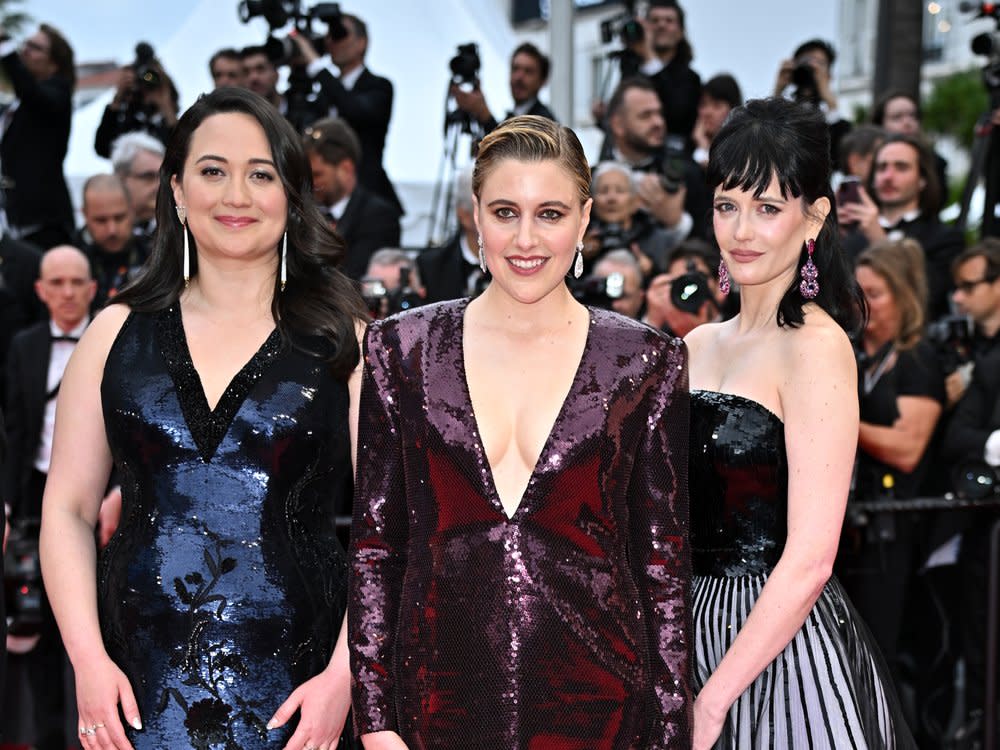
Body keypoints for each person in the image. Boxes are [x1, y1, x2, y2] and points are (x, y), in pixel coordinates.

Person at [349, 114, 692, 748]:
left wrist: (671, 731)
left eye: (551, 213)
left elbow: (662, 565)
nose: (526, 238)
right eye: (505, 212)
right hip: (436, 704)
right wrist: (375, 722)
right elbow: (377, 545)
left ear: (584, 219)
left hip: (600, 705)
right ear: (474, 215)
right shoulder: (401, 348)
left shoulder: (643, 359)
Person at [38, 87, 366, 748]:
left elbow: (396, 529)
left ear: (291, 195)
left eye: (261, 174)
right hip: (135, 690)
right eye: (213, 171)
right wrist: (88, 662)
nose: (235, 196)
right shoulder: (113, 335)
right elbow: (68, 510)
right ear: (179, 192)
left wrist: (347, 675)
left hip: (301, 701)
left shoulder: (346, 342)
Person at [684, 97, 915, 748]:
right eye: (727, 205)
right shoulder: (696, 344)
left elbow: (812, 558)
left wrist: (714, 699)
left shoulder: (818, 347)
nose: (742, 230)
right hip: (683, 628)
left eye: (767, 207)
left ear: (813, 218)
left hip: (780, 650)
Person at [3, 245, 96, 750]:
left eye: (74, 282)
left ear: (92, 288)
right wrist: (8, 506)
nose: (66, 293)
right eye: (55, 283)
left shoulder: (114, 340)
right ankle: (47, 737)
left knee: (93, 629)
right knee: (35, 628)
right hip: (39, 495)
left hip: (101, 500)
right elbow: (16, 431)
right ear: (39, 290)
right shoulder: (25, 346)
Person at [839, 239, 944, 676]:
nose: (865, 304)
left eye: (876, 294)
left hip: (894, 529)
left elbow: (906, 449)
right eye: (859, 293)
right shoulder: (858, 355)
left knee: (877, 652)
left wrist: (835, 420)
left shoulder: (916, 359)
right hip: (852, 523)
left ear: (903, 297)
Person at [840, 133, 965, 320]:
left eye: (901, 167)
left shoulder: (946, 239)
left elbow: (928, 297)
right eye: (882, 168)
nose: (888, 177)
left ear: (922, 179)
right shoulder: (850, 237)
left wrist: (880, 241)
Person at [292, 13, 402, 214]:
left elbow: (353, 109)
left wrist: (316, 65)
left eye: (339, 35)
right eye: (328, 38)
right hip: (322, 200)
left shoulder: (379, 87)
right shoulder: (324, 93)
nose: (331, 42)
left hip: (369, 200)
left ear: (362, 43)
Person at [0, 23, 76, 249]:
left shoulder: (59, 92)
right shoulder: (18, 104)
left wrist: (5, 44)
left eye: (35, 47)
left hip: (46, 226)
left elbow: (33, 94)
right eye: (26, 44)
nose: (25, 50)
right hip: (16, 221)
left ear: (54, 62)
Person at [302, 117, 401, 280]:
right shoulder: (303, 214)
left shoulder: (380, 218)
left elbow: (355, 278)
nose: (311, 184)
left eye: (317, 175)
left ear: (346, 169)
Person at [449, 42, 557, 135]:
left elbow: (513, 154)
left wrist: (485, 116)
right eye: (515, 69)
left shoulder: (544, 124)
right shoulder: (512, 117)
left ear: (543, 81)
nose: (519, 77)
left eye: (528, 71)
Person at [110, 131, 166, 245]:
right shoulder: (106, 230)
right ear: (121, 179)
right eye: (148, 176)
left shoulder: (179, 230)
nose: (159, 185)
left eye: (163, 176)